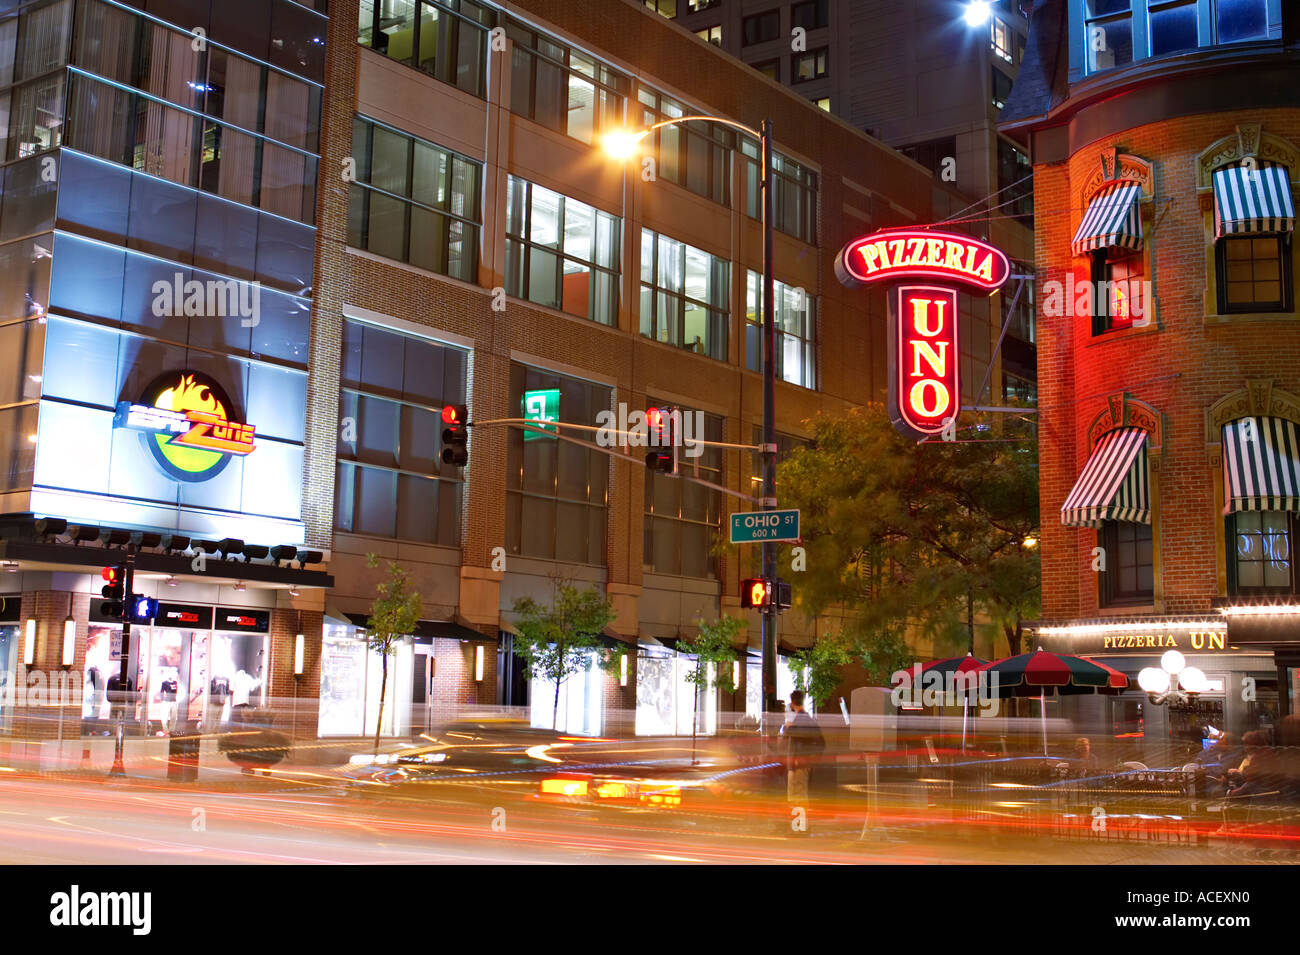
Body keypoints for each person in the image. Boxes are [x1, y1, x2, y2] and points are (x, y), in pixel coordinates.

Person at [782, 690, 825, 811]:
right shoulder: (807, 719)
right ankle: (799, 825)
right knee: (798, 795)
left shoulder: (799, 720)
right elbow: (821, 742)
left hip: (797, 764)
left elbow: (787, 736)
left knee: (796, 796)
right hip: (800, 763)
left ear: (791, 703)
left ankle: (798, 825)